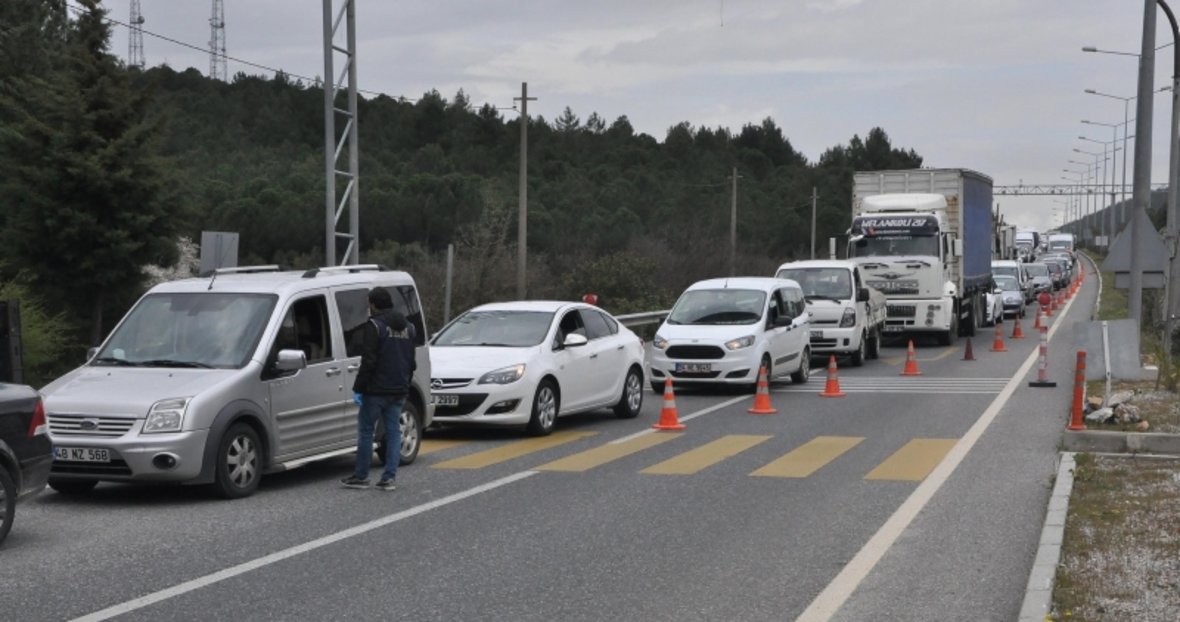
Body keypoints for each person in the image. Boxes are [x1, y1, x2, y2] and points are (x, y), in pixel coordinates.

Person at [341, 287, 416, 491]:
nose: (369, 308)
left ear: (374, 304)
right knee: (393, 432)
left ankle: (361, 476)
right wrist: (405, 384)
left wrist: (358, 388)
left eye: (369, 304)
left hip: (376, 391)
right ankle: (389, 478)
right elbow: (411, 362)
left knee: (366, 431)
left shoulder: (374, 326)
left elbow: (369, 361)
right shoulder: (409, 327)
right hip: (399, 390)